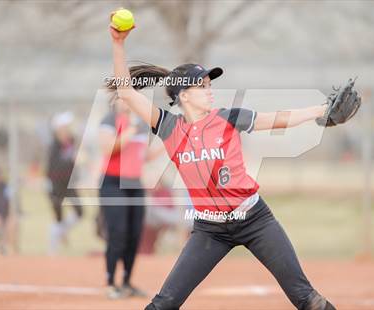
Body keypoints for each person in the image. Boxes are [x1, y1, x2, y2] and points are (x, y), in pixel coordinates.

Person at [108, 21, 337, 310]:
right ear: (184, 95)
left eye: (209, 84)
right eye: (202, 86)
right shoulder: (169, 127)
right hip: (209, 230)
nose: (209, 90)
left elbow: (277, 118)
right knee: (163, 304)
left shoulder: (229, 117)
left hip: (255, 220)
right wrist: (118, 45)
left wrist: (321, 111)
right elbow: (127, 93)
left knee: (306, 299)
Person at [98, 93, 163, 299]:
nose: (126, 102)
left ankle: (126, 282)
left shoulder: (141, 124)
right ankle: (110, 283)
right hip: (113, 183)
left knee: (134, 234)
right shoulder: (109, 121)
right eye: (121, 98)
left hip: (135, 184)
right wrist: (131, 128)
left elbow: (146, 156)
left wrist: (170, 142)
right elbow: (109, 148)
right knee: (118, 233)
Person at [47, 111, 83, 254]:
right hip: (56, 183)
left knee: (79, 212)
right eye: (64, 127)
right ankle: (53, 249)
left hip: (69, 183)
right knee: (58, 214)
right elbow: (53, 167)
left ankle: (60, 230)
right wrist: (70, 160)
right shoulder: (54, 146)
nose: (67, 130)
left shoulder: (71, 141)